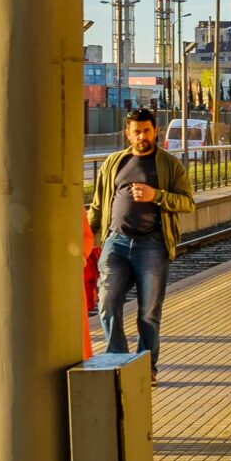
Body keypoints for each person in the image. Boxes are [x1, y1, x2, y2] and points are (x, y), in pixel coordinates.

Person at [86, 107, 196, 376]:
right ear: (128, 133)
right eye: (136, 132)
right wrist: (86, 241)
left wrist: (155, 195)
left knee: (148, 312)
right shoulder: (114, 163)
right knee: (107, 302)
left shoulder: (170, 165)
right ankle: (117, 360)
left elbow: (188, 203)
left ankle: (147, 368)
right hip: (116, 242)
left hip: (153, 245)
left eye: (147, 130)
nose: (142, 136)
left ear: (155, 130)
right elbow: (98, 205)